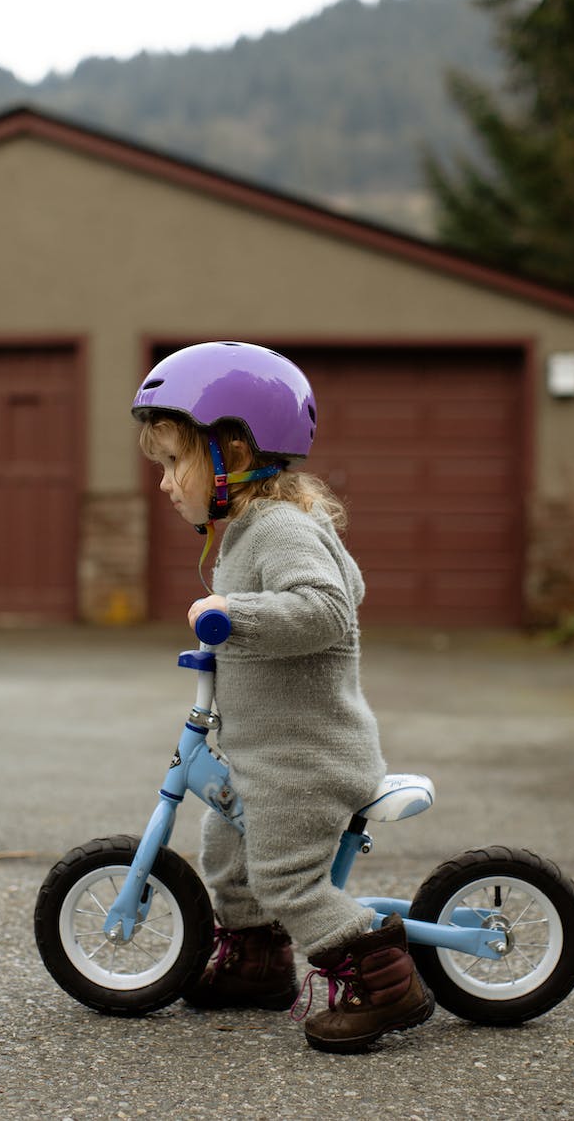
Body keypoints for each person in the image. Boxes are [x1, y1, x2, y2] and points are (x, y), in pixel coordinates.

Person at [132, 341, 433, 1053]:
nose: (165, 483)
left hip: (305, 759)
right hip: (265, 754)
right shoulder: (251, 530)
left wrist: (233, 617)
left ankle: (386, 982)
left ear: (231, 455)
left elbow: (329, 609)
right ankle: (257, 962)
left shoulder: (278, 529)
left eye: (174, 462)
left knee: (284, 875)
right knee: (224, 848)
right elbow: (343, 589)